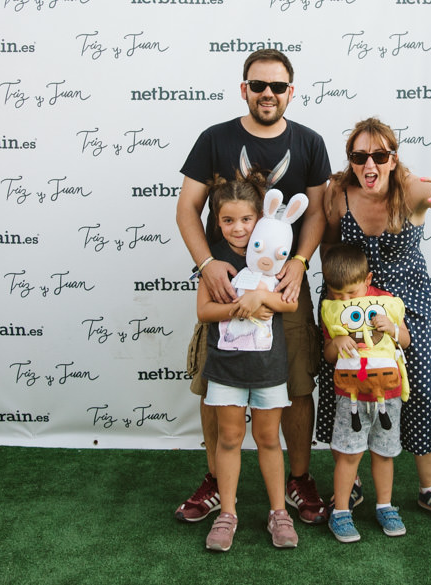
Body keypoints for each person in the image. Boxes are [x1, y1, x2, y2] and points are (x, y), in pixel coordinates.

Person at [175, 48, 332, 525]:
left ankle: (299, 479)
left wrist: (301, 263)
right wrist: (207, 264)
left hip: (286, 286)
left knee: (297, 383)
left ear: (291, 92)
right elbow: (186, 209)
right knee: (214, 384)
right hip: (223, 284)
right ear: (244, 89)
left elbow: (317, 211)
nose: (268, 93)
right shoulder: (214, 138)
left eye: (277, 86)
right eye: (258, 85)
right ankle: (214, 481)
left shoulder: (309, 142)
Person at [319, 117, 431, 525]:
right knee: (344, 390)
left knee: (418, 390)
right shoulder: (338, 192)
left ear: (393, 158)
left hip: (406, 309)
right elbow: (329, 248)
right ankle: (351, 483)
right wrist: (333, 308)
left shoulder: (412, 189)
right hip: (349, 308)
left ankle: (430, 489)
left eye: (380, 155)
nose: (370, 164)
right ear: (350, 159)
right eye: (359, 156)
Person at [196, 172, 299, 551]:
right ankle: (227, 514)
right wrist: (241, 307)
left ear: (260, 218)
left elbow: (290, 303)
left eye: (245, 219)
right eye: (228, 220)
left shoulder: (275, 254)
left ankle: (279, 513)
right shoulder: (214, 262)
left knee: (269, 438)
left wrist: (262, 299)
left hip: (269, 368)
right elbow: (204, 311)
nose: (238, 228)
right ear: (217, 221)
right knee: (229, 438)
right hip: (226, 368)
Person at [320, 243, 410, 543]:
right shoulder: (332, 310)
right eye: (337, 294)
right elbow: (328, 354)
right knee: (349, 455)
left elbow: (406, 340)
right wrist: (337, 342)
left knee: (384, 454)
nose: (344, 300)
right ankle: (341, 512)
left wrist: (392, 328)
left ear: (368, 279)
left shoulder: (386, 301)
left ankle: (385, 506)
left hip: (388, 394)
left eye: (351, 293)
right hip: (351, 397)